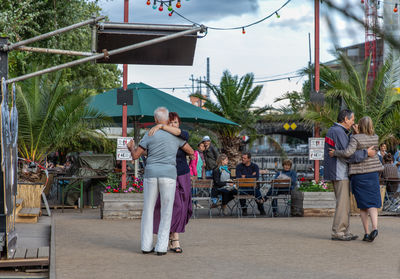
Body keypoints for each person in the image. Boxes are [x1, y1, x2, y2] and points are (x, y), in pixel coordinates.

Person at [127, 107, 194, 255]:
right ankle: (162, 247)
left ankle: (146, 246)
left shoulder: (149, 134)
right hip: (169, 175)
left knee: (148, 210)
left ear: (156, 119)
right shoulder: (176, 136)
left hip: (151, 173)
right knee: (166, 210)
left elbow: (136, 156)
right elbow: (190, 151)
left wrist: (131, 148)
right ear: (167, 120)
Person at [324, 109, 376, 241]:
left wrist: (354, 135)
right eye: (352, 119)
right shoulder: (338, 131)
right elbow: (349, 154)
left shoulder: (336, 131)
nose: (353, 122)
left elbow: (345, 150)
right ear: (346, 119)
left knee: (344, 204)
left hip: (338, 171)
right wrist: (366, 153)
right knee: (342, 204)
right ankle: (339, 232)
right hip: (339, 172)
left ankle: (344, 231)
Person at [149, 112, 193, 254]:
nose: (173, 125)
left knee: (184, 205)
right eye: (170, 122)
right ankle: (174, 237)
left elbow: (186, 142)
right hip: (167, 175)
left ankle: (170, 237)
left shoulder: (182, 135)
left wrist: (162, 126)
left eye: (175, 122)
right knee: (174, 205)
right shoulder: (160, 138)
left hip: (183, 173)